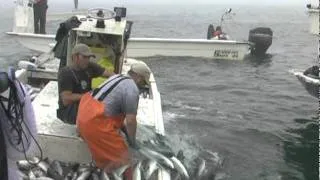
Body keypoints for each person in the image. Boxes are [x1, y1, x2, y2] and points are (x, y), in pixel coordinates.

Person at [76, 62, 151, 179]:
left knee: (111, 155)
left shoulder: (117, 77)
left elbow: (111, 106)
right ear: (139, 77)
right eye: (143, 82)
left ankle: (103, 171)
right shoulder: (132, 89)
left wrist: (124, 130)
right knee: (124, 159)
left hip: (83, 117)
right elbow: (131, 121)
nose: (141, 85)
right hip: (95, 124)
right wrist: (132, 141)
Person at [57, 43, 114, 124]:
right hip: (70, 111)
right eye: (84, 57)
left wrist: (119, 80)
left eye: (89, 57)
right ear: (75, 57)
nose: (87, 60)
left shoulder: (89, 66)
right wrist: (91, 95)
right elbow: (66, 99)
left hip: (86, 105)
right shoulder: (65, 73)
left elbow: (108, 74)